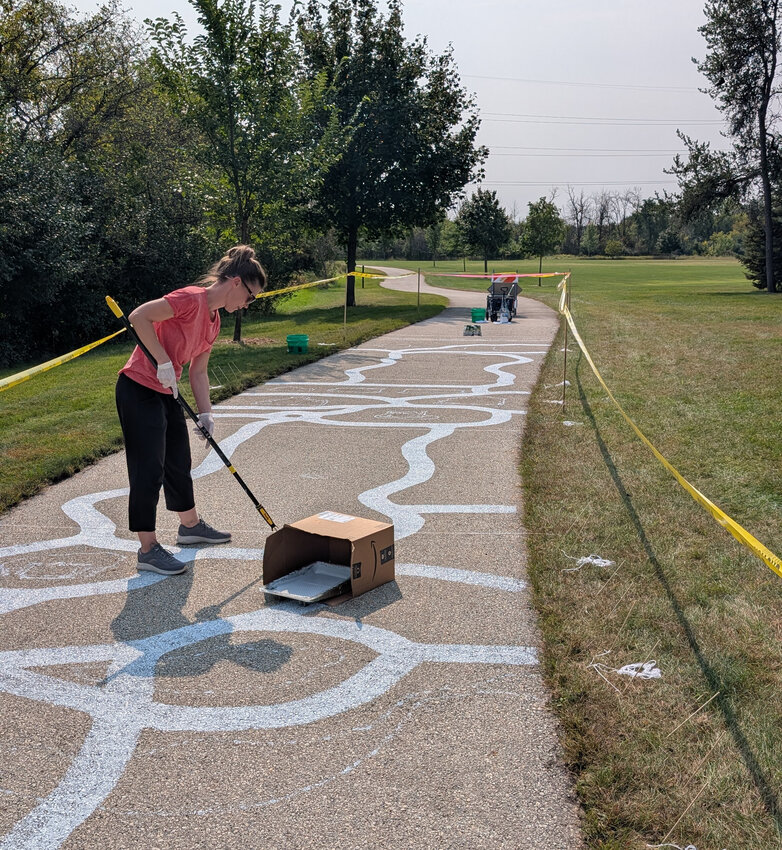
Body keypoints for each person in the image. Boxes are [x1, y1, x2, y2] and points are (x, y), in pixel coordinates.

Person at [115, 245, 267, 575]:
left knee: (178, 460)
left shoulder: (213, 323)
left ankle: (190, 526)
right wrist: (163, 360)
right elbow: (138, 316)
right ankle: (148, 548)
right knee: (148, 469)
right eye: (250, 297)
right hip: (138, 387)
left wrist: (206, 413)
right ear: (236, 282)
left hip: (164, 390)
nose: (247, 305)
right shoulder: (191, 299)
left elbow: (198, 372)